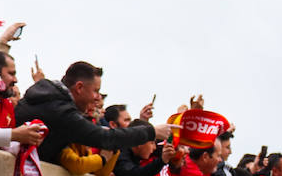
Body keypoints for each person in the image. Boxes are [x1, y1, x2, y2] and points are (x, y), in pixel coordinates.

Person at [14, 61, 169, 165]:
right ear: (79, 87)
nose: (97, 98)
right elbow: (104, 139)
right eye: (96, 91)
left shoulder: (51, 100)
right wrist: (151, 131)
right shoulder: (60, 111)